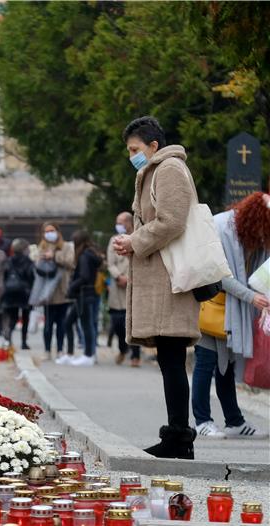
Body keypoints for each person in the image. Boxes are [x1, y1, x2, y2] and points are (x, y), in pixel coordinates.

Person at [114, 116, 200, 459]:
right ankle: (176, 434)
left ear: (153, 146)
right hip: (162, 279)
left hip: (170, 280)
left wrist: (135, 241)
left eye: (135, 149)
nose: (132, 155)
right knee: (170, 358)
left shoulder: (168, 169)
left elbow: (172, 221)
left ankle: (179, 436)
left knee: (173, 358)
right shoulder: (156, 169)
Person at [192, 192, 270, 439]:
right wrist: (251, 297)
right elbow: (218, 274)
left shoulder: (254, 234)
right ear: (257, 219)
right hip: (211, 304)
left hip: (233, 311)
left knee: (226, 367)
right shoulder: (221, 226)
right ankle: (202, 421)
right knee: (205, 363)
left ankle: (234, 421)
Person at [58, 231, 102, 366]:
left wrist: (71, 287)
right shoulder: (91, 254)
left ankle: (88, 355)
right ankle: (74, 354)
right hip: (87, 294)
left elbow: (84, 276)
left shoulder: (84, 256)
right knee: (71, 323)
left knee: (85, 325)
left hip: (83, 294)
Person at [107, 212, 141, 366]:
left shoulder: (139, 237)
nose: (118, 225)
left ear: (128, 222)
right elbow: (110, 263)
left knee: (134, 323)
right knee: (118, 323)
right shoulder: (113, 240)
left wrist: (130, 279)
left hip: (134, 285)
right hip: (117, 287)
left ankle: (135, 355)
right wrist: (118, 276)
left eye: (120, 222)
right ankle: (122, 349)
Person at [37, 222, 75, 359]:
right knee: (48, 323)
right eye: (46, 231)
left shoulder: (67, 246)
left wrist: (54, 256)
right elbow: (37, 267)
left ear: (58, 232)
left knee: (61, 323)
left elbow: (71, 262)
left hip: (62, 289)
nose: (49, 234)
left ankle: (60, 349)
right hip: (47, 292)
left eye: (52, 230)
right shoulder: (41, 247)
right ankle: (47, 350)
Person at [2, 238, 35, 350]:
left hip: (10, 291)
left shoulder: (8, 260)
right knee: (25, 317)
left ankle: (9, 335)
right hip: (24, 292)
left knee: (13, 317)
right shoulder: (28, 261)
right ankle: (24, 342)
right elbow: (31, 276)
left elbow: (4, 275)